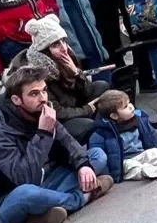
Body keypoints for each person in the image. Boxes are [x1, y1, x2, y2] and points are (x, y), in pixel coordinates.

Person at [0, 67, 113, 223]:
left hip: (49, 180)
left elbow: (68, 143)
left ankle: (38, 215)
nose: (42, 98)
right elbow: (24, 178)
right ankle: (82, 197)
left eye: (44, 91)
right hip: (8, 197)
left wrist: (83, 165)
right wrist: (43, 133)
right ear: (16, 99)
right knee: (27, 194)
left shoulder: (41, 109)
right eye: (34, 94)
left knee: (96, 156)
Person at [7, 15, 110, 148]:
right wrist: (87, 109)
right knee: (86, 125)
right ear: (44, 50)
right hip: (53, 122)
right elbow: (56, 111)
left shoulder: (65, 57)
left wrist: (77, 73)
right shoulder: (36, 73)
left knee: (101, 86)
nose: (64, 48)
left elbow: (87, 91)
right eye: (56, 44)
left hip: (71, 105)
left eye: (63, 41)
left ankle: (101, 131)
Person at [89, 90, 157, 181]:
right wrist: (108, 174)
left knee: (153, 153)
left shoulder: (139, 120)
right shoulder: (102, 132)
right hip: (124, 160)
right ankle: (144, 171)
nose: (131, 107)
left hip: (142, 153)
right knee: (131, 167)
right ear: (114, 116)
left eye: (129, 102)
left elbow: (153, 136)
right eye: (125, 106)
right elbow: (97, 150)